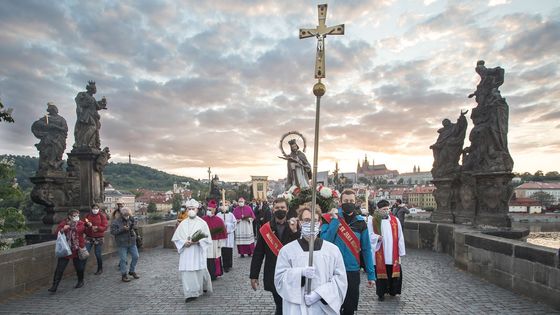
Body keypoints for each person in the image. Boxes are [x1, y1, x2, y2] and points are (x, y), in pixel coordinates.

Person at [274, 203, 348, 314]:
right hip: (296, 308)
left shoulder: (332, 251)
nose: (311, 223)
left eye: (315, 220)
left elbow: (340, 280)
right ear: (300, 222)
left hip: (323, 308)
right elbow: (279, 279)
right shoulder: (287, 251)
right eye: (307, 220)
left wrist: (320, 294)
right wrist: (300, 274)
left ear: (320, 223)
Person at [321, 189, 376, 315]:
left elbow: (366, 249)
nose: (349, 203)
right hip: (333, 270)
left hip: (352, 271)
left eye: (351, 201)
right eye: (346, 201)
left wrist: (371, 275)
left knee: (349, 309)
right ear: (340, 202)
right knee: (332, 308)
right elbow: (325, 241)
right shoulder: (328, 219)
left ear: (355, 202)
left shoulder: (361, 222)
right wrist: (335, 221)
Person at [250, 198, 300, 315]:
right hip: (274, 272)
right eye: (277, 208)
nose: (280, 210)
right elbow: (258, 254)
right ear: (273, 209)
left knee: (289, 304)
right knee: (280, 304)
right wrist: (254, 275)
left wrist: (295, 232)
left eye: (282, 208)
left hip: (292, 272)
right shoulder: (266, 229)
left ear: (287, 209)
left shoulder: (294, 226)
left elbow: (300, 247)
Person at [171, 199, 213, 303]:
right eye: (189, 208)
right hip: (186, 252)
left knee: (197, 271)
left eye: (192, 208)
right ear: (186, 210)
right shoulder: (183, 223)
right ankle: (189, 293)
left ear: (197, 210)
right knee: (186, 272)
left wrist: (197, 242)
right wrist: (183, 243)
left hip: (197, 252)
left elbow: (207, 239)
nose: (191, 210)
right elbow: (176, 238)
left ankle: (196, 291)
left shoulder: (202, 223)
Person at [370, 200, 406, 301]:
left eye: (387, 209)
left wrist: (401, 251)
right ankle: (381, 293)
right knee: (381, 274)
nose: (386, 211)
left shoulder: (395, 220)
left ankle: (393, 291)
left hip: (393, 252)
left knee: (393, 272)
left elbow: (400, 236)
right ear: (378, 209)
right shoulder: (373, 220)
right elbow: (370, 234)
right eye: (384, 209)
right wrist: (377, 238)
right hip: (380, 251)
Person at [48, 209, 86, 292]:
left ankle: (80, 281)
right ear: (69, 216)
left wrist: (72, 227)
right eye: (74, 215)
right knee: (60, 268)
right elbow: (56, 232)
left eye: (77, 215)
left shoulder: (80, 223)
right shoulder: (64, 223)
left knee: (79, 267)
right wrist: (63, 229)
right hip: (66, 248)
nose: (76, 217)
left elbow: (81, 229)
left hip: (77, 248)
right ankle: (54, 285)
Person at [74, 80, 107, 150]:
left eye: (95, 89)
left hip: (93, 116)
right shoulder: (83, 94)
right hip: (86, 115)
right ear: (90, 89)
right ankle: (84, 143)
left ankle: (90, 143)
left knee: (95, 129)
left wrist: (103, 103)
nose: (95, 90)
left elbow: (97, 106)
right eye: (94, 89)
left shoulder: (93, 98)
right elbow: (77, 100)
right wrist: (83, 105)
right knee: (93, 127)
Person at [110, 208, 140, 282]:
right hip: (122, 243)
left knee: (136, 256)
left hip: (132, 242)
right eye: (125, 215)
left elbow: (135, 228)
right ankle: (124, 275)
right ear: (122, 215)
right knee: (123, 259)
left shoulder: (131, 219)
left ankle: (132, 271)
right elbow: (113, 232)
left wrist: (134, 226)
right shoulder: (116, 222)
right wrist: (122, 229)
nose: (127, 216)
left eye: (128, 215)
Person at [202, 200, 227, 280]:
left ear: (214, 210)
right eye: (208, 209)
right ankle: (207, 274)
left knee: (215, 257)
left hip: (215, 242)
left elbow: (222, 232)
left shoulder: (219, 220)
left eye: (210, 209)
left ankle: (215, 273)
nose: (208, 211)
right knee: (207, 258)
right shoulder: (203, 220)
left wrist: (220, 243)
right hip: (206, 242)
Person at [84, 203, 108, 275]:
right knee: (85, 253)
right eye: (94, 208)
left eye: (96, 208)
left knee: (98, 254)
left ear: (99, 209)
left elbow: (105, 226)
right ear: (91, 209)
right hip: (89, 236)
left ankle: (100, 268)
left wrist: (98, 228)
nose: (95, 210)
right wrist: (87, 225)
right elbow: (83, 223)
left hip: (98, 237)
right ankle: (82, 268)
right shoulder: (87, 215)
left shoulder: (102, 216)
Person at [217, 203, 236, 272]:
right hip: (222, 235)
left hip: (229, 235)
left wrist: (228, 226)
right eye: (222, 206)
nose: (224, 207)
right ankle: (225, 265)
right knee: (223, 250)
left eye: (225, 206)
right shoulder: (218, 215)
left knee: (229, 250)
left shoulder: (231, 215)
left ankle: (229, 263)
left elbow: (234, 223)